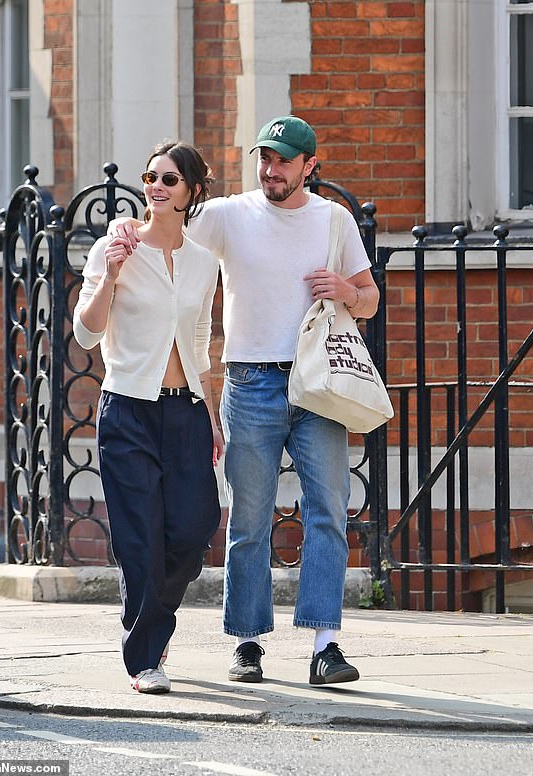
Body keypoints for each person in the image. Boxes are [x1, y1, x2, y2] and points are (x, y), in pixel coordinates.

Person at [110, 115, 380, 686]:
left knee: (328, 512)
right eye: (265, 158)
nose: (271, 169)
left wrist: (348, 292)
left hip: (319, 384)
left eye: (284, 160)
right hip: (250, 381)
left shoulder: (334, 220)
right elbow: (166, 220)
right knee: (248, 519)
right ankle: (249, 643)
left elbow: (371, 299)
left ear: (309, 165)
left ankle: (326, 645)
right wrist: (125, 232)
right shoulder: (229, 215)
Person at [73, 141, 223, 695]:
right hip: (128, 410)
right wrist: (110, 273)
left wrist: (211, 413)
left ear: (192, 193)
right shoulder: (116, 246)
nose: (156, 186)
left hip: (185, 412)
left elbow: (200, 341)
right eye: (151, 177)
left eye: (170, 179)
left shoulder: (204, 262)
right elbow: (87, 332)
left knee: (192, 527)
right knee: (139, 540)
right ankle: (146, 656)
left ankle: (150, 621)